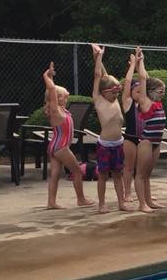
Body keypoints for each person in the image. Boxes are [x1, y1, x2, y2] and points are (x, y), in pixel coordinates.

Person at [41, 62, 93, 209]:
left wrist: (51, 76)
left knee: (55, 175)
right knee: (77, 171)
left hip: (54, 146)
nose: (67, 97)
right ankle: (81, 199)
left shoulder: (60, 109)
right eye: (65, 96)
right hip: (61, 147)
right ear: (57, 98)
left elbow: (51, 90)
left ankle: (51, 203)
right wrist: (46, 75)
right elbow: (51, 90)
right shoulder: (55, 109)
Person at [90, 44, 131, 213]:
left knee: (118, 175)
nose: (116, 96)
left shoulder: (112, 99)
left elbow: (106, 76)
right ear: (103, 92)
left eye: (117, 93)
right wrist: (98, 58)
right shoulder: (99, 100)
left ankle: (121, 202)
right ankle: (102, 204)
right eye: (113, 93)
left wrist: (99, 57)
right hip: (105, 145)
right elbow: (99, 75)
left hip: (118, 143)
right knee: (103, 175)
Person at [132, 48, 167, 212]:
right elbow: (143, 78)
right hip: (146, 142)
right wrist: (140, 61)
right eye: (161, 90)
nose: (163, 93)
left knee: (147, 175)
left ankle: (149, 201)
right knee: (140, 174)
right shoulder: (145, 102)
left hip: (156, 142)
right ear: (151, 91)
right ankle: (142, 204)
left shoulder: (158, 103)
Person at [120, 52, 139, 201]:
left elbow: (147, 82)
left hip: (144, 139)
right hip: (131, 138)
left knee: (143, 170)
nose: (140, 93)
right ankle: (127, 192)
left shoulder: (146, 103)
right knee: (129, 167)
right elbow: (127, 82)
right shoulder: (128, 103)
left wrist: (140, 65)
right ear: (131, 93)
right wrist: (133, 65)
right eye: (136, 91)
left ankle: (143, 193)